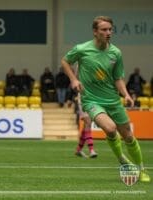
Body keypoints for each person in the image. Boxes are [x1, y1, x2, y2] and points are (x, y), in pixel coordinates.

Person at [61, 16, 150, 182]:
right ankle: (123, 161)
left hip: (113, 100)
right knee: (110, 129)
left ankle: (141, 169)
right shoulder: (82, 49)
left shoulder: (116, 53)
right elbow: (65, 61)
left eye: (110, 29)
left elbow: (118, 78)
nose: (108, 33)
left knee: (129, 136)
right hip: (92, 100)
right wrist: (74, 79)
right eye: (104, 29)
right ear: (95, 32)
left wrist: (126, 94)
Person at [75, 93, 98, 158]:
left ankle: (78, 150)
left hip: (92, 102)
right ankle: (91, 150)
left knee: (86, 126)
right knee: (88, 123)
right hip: (84, 101)